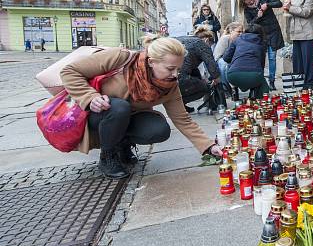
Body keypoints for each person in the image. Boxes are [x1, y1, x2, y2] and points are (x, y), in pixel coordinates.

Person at [60, 36, 223, 179]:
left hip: (127, 117)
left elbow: (183, 119)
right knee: (119, 108)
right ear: (151, 62)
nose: (175, 74)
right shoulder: (120, 58)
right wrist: (90, 97)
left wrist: (209, 147)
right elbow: (69, 71)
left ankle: (122, 144)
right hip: (97, 114)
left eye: (178, 69)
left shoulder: (170, 84)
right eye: (170, 68)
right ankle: (107, 156)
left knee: (159, 130)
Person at [239, 0, 285, 90]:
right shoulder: (247, 9)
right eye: (248, 2)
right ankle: (260, 82)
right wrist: (258, 16)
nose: (251, 2)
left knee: (272, 58)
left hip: (273, 31)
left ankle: (272, 82)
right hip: (260, 35)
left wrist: (267, 5)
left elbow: (279, 3)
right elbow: (250, 24)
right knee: (260, 59)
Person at [175, 25, 222, 113]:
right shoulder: (202, 44)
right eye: (210, 45)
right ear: (207, 40)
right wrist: (216, 79)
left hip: (168, 74)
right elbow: (211, 63)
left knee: (195, 73)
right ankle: (178, 104)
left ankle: (180, 104)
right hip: (179, 76)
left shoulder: (184, 39)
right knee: (205, 88)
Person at [284, 0, 313, 89]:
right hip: (295, 32)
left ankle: (309, 85)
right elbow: (291, 12)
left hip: (307, 33)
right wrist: (286, 6)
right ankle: (298, 84)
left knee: (308, 61)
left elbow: (306, 12)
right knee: (297, 61)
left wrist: (290, 8)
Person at [222, 23, 269, 99]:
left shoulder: (237, 40)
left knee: (230, 65)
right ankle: (256, 99)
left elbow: (226, 58)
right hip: (255, 75)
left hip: (233, 76)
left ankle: (234, 90)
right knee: (263, 85)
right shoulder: (261, 43)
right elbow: (261, 64)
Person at [214, 22, 244, 100]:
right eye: (238, 32)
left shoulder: (242, 40)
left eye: (242, 32)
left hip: (234, 60)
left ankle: (235, 87)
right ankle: (226, 88)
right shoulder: (225, 39)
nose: (241, 33)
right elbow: (217, 56)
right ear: (231, 31)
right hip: (221, 60)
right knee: (225, 65)